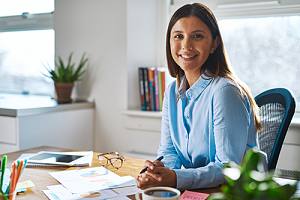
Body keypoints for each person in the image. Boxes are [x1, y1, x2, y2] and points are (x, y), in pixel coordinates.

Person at [136, 3, 261, 190]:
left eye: (197, 36)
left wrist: (176, 178)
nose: (186, 45)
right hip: (203, 190)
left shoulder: (224, 91)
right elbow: (169, 153)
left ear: (214, 44)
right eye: (178, 36)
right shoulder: (172, 91)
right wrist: (158, 173)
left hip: (236, 192)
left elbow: (228, 168)